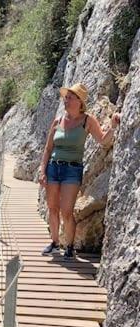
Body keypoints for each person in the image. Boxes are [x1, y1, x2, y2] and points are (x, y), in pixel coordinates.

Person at [39, 83, 121, 259]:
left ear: (79, 101)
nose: (66, 100)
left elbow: (102, 140)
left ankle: (69, 246)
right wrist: (42, 171)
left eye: (70, 97)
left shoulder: (87, 120)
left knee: (66, 210)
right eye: (65, 97)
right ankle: (54, 243)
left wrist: (113, 127)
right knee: (52, 208)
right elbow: (47, 149)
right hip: (53, 167)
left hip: (72, 170)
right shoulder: (58, 121)